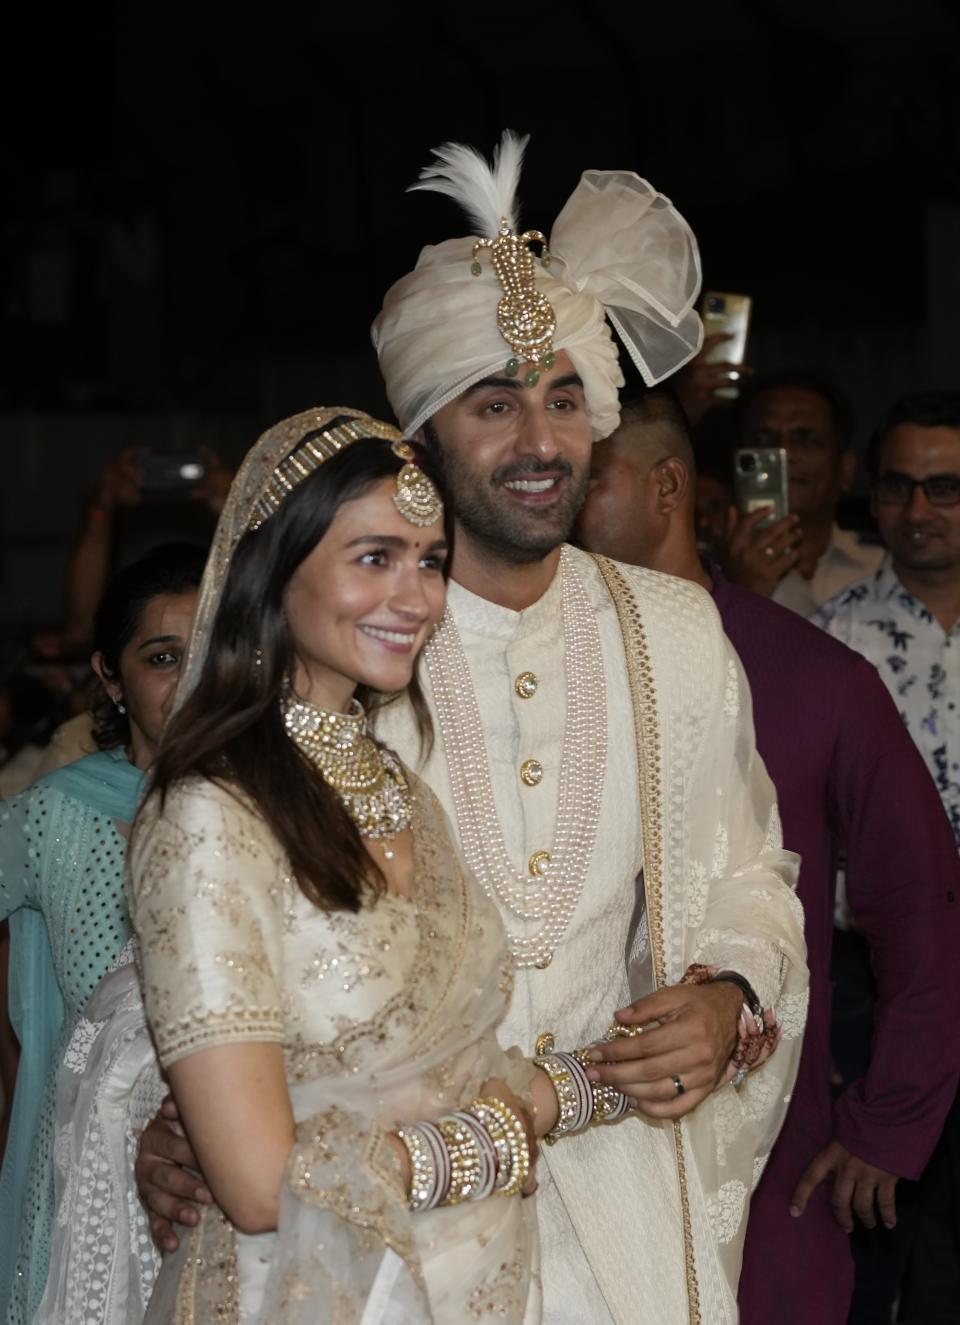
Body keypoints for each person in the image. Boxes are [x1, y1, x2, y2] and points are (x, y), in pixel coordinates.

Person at [138, 132, 808, 1325]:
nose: (539, 443)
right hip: (384, 1237)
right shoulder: (355, 655)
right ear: (424, 429)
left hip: (623, 1195)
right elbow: (226, 928)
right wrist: (180, 1112)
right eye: (494, 403)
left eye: (564, 399)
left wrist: (730, 991)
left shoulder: (674, 629)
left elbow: (750, 867)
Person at [115, 405, 643, 1324]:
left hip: (466, 1286)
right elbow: (257, 1182)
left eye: (430, 560)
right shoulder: (208, 810)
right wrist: (487, 1144)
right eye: (374, 557)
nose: (417, 596)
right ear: (274, 570)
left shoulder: (398, 784)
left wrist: (624, 1073)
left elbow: (445, 1067)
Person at [575, 388, 960, 1323]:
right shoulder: (534, 668)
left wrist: (890, 1120)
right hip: (562, 1143)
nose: (549, 489)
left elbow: (924, 907)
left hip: (766, 1158)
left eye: (587, 476)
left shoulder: (811, 676)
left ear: (668, 485)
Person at [0, 542, 203, 1325]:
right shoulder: (57, 815)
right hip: (90, 1188)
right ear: (109, 677)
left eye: (213, 648)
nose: (193, 680)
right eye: (162, 656)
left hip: (224, 1183)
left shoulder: (287, 809)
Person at [816, 389, 960, 1322]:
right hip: (881, 980)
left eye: (945, 489)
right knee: (872, 1236)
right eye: (899, 488)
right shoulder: (833, 640)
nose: (918, 512)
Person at [723, 370, 883, 614]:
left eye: (806, 439)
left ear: (846, 470)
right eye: (763, 440)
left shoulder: (884, 568)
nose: (785, 453)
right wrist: (736, 594)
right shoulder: (702, 576)